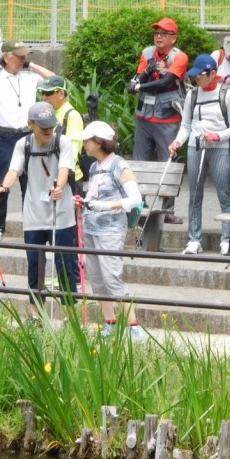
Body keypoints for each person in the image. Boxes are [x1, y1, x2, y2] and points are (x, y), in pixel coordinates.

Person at [0, 101, 78, 323]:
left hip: (62, 215)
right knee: (34, 266)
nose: (48, 130)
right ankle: (34, 315)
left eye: (51, 125)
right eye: (42, 126)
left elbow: (65, 169)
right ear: (30, 124)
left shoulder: (63, 142)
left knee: (65, 265)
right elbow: (14, 170)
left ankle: (70, 316)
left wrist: (59, 187)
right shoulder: (23, 145)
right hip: (34, 215)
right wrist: (3, 187)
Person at [0, 40, 54, 239]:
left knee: (31, 180)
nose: (23, 59)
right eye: (19, 56)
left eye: (24, 56)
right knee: (2, 180)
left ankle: (31, 226)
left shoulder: (29, 76)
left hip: (28, 134)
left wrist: (31, 65)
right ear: (7, 57)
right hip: (5, 135)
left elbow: (54, 79)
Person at [80, 120, 148, 341]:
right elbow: (94, 196)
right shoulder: (93, 167)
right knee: (97, 278)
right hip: (90, 227)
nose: (84, 144)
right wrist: (84, 203)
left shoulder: (119, 165)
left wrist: (107, 206)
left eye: (87, 140)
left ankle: (133, 327)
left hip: (110, 230)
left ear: (98, 142)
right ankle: (110, 322)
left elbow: (135, 199)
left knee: (112, 277)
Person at [168, 54, 230, 255]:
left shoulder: (227, 94)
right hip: (195, 147)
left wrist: (218, 136)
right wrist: (177, 141)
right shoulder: (193, 95)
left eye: (201, 75)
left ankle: (227, 240)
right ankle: (194, 239)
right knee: (194, 194)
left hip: (219, 148)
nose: (197, 79)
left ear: (213, 73)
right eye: (195, 76)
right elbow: (186, 125)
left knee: (224, 193)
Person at [129, 16, 189, 224]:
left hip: (168, 116)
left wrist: (138, 87)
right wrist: (144, 74)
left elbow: (166, 82)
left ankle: (168, 211)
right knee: (140, 161)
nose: (158, 36)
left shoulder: (179, 57)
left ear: (174, 38)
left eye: (163, 33)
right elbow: (139, 77)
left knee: (168, 162)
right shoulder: (147, 53)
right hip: (144, 114)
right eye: (156, 33)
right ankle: (139, 207)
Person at [37, 74, 85, 184]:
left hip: (68, 179)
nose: (44, 97)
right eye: (43, 93)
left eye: (48, 93)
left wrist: (61, 180)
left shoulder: (72, 115)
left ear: (61, 94)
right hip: (49, 175)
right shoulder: (49, 112)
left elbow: (72, 153)